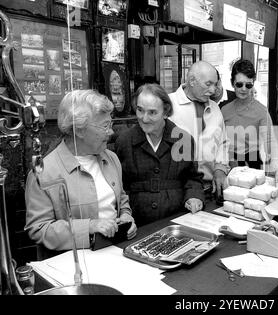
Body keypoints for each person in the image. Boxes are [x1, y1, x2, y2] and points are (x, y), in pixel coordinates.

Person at [25, 90, 137, 254]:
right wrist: (90, 226)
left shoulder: (111, 158)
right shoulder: (44, 172)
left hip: (117, 251)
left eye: (110, 124)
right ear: (79, 130)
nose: (111, 132)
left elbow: (121, 199)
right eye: (105, 126)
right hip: (72, 264)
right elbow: (39, 229)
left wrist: (127, 217)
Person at [115, 84, 205, 226]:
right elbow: (119, 186)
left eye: (152, 112)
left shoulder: (183, 140)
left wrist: (194, 197)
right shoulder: (124, 142)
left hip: (176, 220)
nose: (144, 118)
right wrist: (124, 214)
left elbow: (192, 178)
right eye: (140, 110)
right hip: (137, 223)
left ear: (166, 112)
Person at [168, 61, 229, 200]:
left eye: (215, 84)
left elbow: (223, 143)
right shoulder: (169, 104)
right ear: (192, 81)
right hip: (179, 192)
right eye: (208, 84)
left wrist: (220, 169)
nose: (213, 90)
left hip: (210, 190)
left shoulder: (215, 108)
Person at [221, 59, 278, 171]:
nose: (243, 89)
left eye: (248, 85)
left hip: (252, 163)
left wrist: (275, 165)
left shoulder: (261, 111)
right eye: (239, 84)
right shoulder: (224, 110)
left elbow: (270, 141)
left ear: (253, 83)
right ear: (232, 83)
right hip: (228, 163)